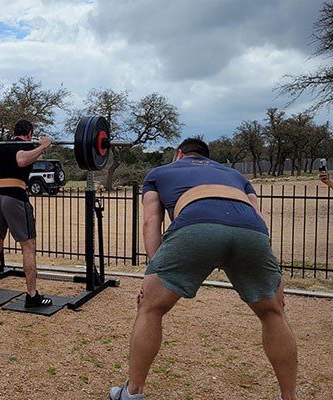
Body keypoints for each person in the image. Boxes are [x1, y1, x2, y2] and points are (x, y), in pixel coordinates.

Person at [109, 138, 297, 400]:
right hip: (251, 232)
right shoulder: (234, 174)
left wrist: (153, 274)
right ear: (208, 157)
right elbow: (257, 216)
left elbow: (151, 221)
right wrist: (269, 276)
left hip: (197, 226)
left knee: (151, 307)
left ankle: (132, 392)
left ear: (179, 154)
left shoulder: (159, 173)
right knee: (273, 313)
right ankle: (289, 397)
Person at [0, 120, 53, 308]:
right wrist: (43, 146)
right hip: (14, 197)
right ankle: (32, 295)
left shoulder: (1, 146)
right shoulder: (24, 145)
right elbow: (22, 160)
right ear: (29, 133)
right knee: (28, 246)